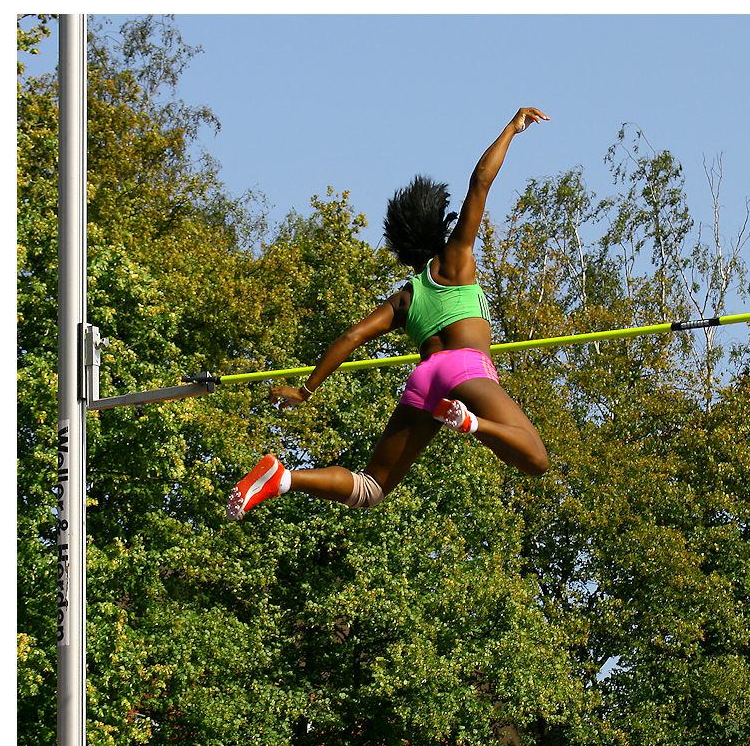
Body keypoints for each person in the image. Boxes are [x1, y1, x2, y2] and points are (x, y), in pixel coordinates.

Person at [227, 107, 551, 521]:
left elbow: (350, 337)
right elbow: (480, 183)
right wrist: (512, 128)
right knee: (536, 459)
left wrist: (306, 390)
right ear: (438, 223)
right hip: (465, 371)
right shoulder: (456, 259)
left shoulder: (405, 298)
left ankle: (283, 478)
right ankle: (472, 424)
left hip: (425, 380)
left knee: (371, 488)